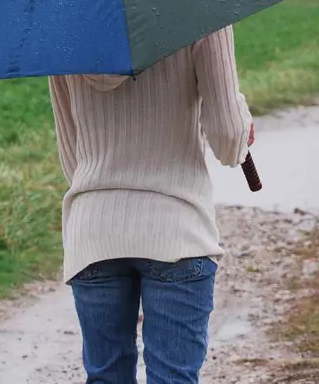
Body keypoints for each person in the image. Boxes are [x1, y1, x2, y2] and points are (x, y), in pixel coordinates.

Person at [48, 26, 254, 384]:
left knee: (106, 376)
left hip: (93, 230)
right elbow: (227, 135)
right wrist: (242, 127)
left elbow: (73, 156)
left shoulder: (65, 17)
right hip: (177, 228)